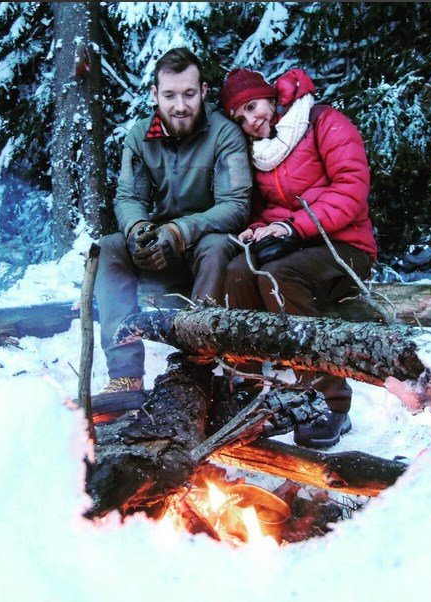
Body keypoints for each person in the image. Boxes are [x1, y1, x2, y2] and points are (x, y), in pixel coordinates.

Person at [219, 67, 377, 449]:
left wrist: (292, 227)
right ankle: (247, 386)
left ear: (272, 97)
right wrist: (260, 228)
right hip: (300, 244)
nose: (251, 121)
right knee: (240, 270)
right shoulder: (260, 154)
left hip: (347, 245)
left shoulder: (324, 121)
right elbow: (267, 209)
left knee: (277, 275)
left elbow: (351, 188)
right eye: (240, 118)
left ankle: (328, 401)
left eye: (253, 107)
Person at [95, 47, 252, 402]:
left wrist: (180, 232)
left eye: (188, 94)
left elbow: (235, 205)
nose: (180, 105)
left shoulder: (225, 135)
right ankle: (124, 376)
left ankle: (194, 365)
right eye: (169, 95)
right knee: (109, 247)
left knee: (215, 246)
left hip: (206, 246)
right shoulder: (139, 136)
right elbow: (128, 198)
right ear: (155, 95)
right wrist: (139, 232)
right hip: (160, 249)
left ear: (204, 92)